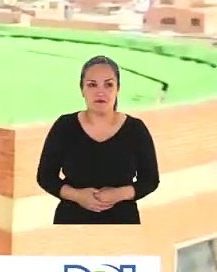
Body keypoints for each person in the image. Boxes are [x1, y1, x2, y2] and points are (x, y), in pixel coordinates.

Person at [36, 55, 160, 225]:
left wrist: (118, 194)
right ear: (82, 89)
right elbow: (45, 177)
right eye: (92, 85)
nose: (100, 92)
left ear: (118, 89)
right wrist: (78, 196)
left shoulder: (135, 129)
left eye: (108, 85)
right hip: (71, 224)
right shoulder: (65, 126)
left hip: (123, 224)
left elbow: (150, 180)